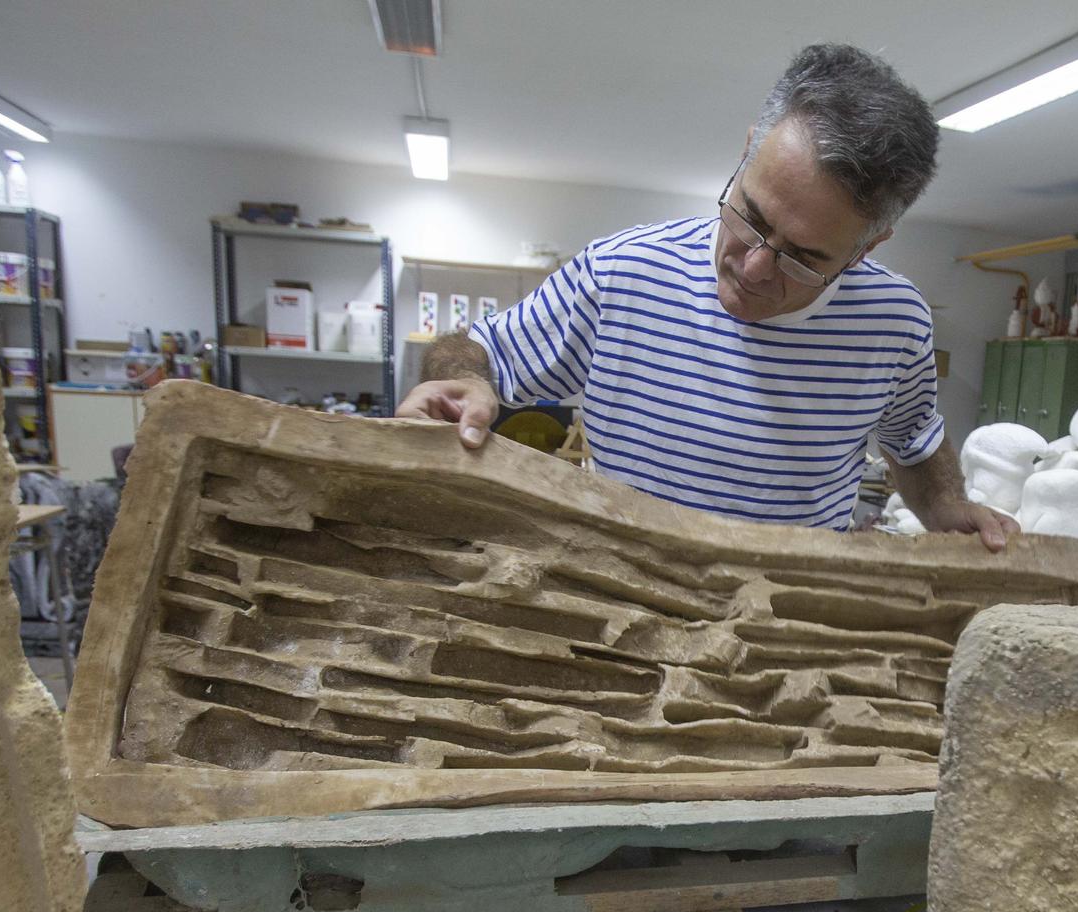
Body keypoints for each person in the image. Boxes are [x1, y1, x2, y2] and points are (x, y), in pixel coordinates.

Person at [396, 43, 1016, 551]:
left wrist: (945, 506)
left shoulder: (895, 322)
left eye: (802, 257)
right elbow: (473, 351)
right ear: (748, 151)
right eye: (748, 216)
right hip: (621, 605)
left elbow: (914, 442)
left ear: (867, 246)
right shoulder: (623, 272)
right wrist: (461, 382)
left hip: (785, 619)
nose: (751, 265)